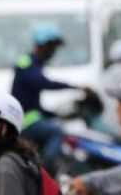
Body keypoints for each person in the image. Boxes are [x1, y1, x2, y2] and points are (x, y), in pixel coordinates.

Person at [13, 24, 77, 165]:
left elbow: (35, 106)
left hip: (32, 118)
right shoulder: (25, 62)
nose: (53, 52)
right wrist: (73, 87)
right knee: (56, 131)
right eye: (52, 48)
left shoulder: (37, 65)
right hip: (24, 122)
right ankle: (46, 170)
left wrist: (57, 114)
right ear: (42, 46)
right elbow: (40, 82)